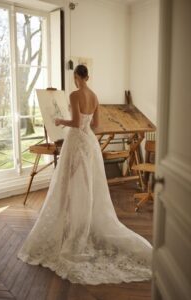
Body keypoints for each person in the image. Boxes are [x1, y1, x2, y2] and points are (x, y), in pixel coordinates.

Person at [17, 65, 152, 285]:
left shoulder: (74, 94)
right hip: (89, 142)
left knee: (70, 184)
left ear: (77, 77)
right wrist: (84, 127)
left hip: (77, 140)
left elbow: (77, 123)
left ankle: (73, 227)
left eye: (74, 77)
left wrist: (61, 121)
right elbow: (95, 125)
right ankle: (81, 222)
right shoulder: (94, 96)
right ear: (87, 77)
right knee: (86, 185)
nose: (74, 80)